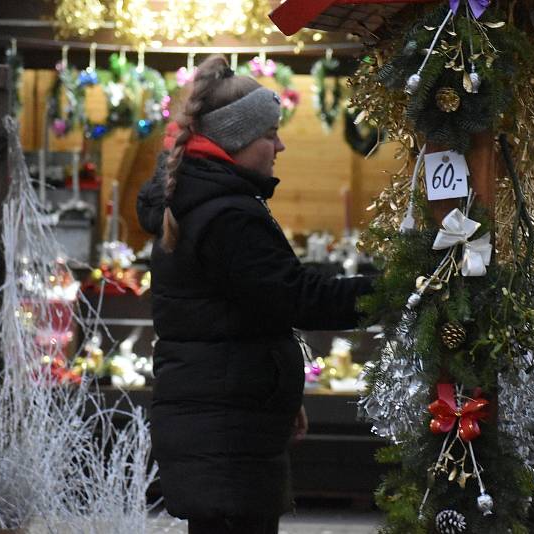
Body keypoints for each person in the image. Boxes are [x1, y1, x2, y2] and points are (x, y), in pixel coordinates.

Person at [135, 55, 373, 534]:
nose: (280, 145)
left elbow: (246, 315)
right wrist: (395, 292)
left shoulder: (207, 203)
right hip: (225, 433)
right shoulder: (226, 216)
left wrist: (282, 399)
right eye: (270, 135)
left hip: (230, 424)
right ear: (238, 140)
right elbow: (297, 296)